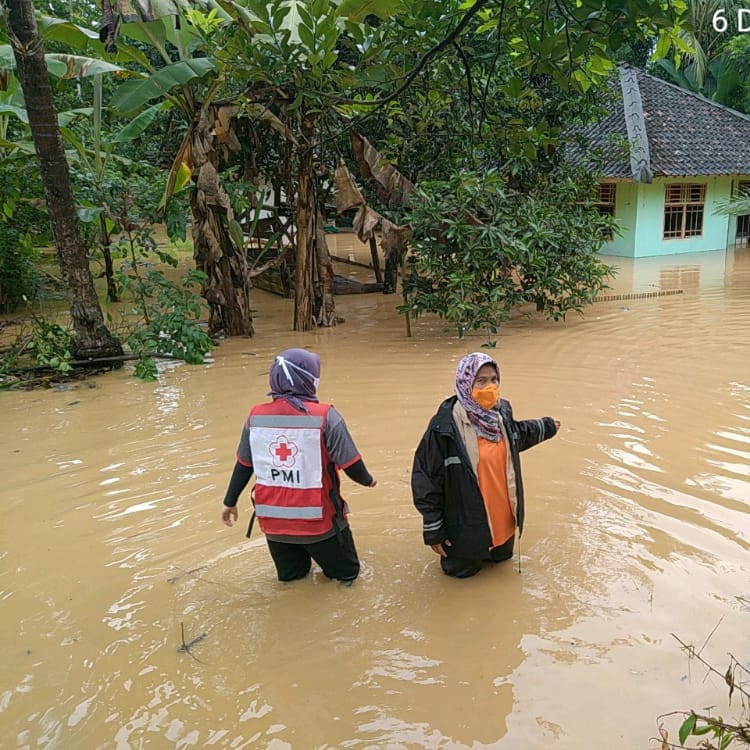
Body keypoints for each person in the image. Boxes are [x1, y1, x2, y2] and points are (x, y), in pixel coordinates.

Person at [221, 348, 377, 584]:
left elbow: (244, 465)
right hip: (320, 522)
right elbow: (352, 465)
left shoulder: (255, 418)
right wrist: (369, 480)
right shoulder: (326, 417)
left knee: (293, 582)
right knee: (348, 577)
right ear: (309, 380)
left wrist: (229, 502)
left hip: (274, 525)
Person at [411, 351, 560, 578]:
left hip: (503, 524)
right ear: (466, 382)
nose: (489, 386)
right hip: (463, 530)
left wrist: (546, 426)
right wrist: (434, 528)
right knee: (462, 585)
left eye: (494, 379)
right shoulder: (444, 427)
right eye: (481, 381)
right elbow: (426, 477)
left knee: (502, 571)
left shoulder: (500, 415)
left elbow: (517, 436)